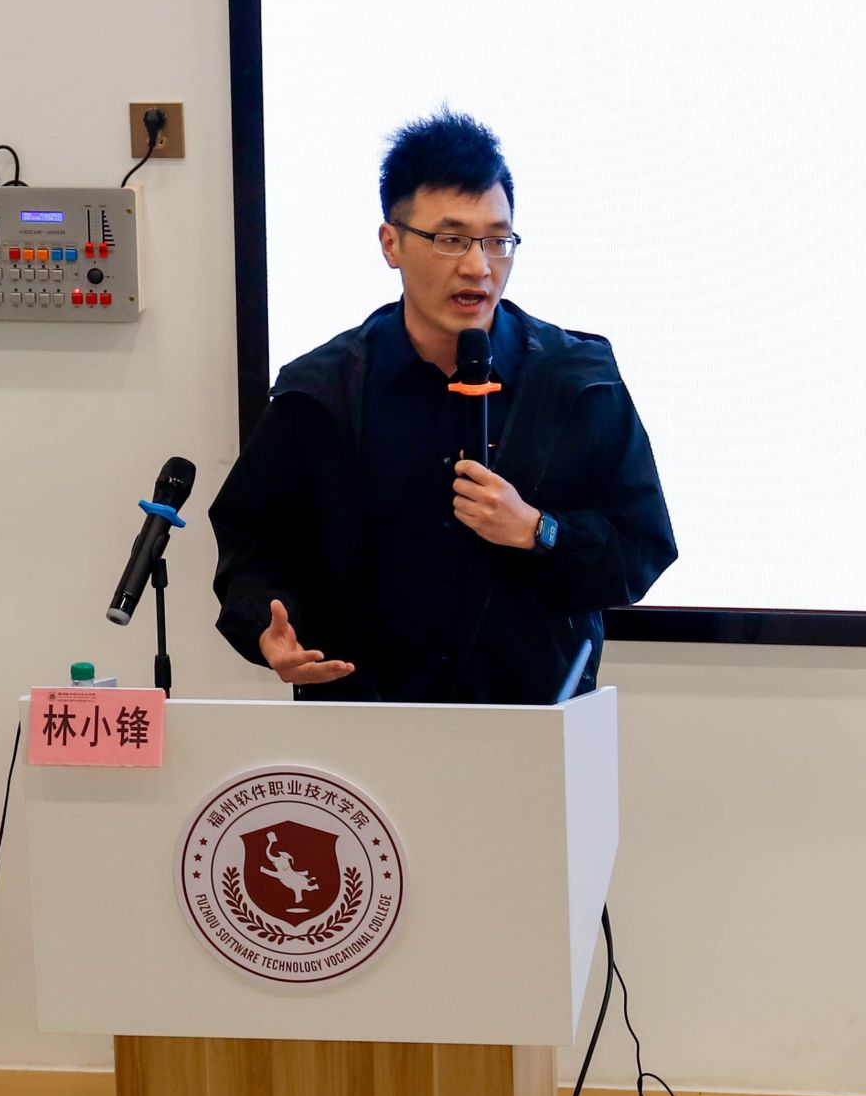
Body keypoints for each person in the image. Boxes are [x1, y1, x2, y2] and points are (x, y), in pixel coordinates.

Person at [210, 110, 675, 704]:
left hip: (532, 726)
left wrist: (539, 530)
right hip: (363, 728)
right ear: (391, 244)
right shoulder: (321, 392)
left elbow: (641, 548)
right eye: (451, 240)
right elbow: (252, 543)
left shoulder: (578, 381)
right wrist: (267, 630)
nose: (478, 267)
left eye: (497, 240)